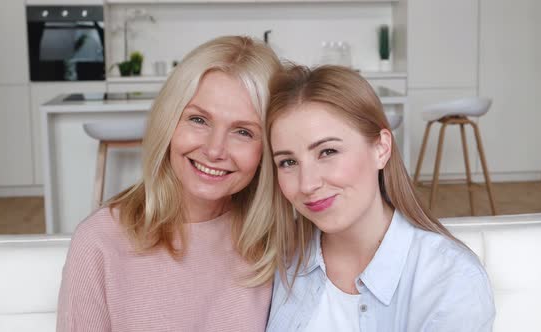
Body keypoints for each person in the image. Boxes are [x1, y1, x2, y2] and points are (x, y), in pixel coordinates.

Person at [56, 36, 281, 331]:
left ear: (267, 149)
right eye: (199, 120)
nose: (215, 150)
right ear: (169, 122)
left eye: (243, 132)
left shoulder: (278, 241)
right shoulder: (99, 242)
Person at [265, 65, 495, 332]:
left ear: (381, 148)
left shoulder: (450, 281)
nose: (307, 184)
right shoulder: (280, 262)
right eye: (288, 161)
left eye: (327, 152)